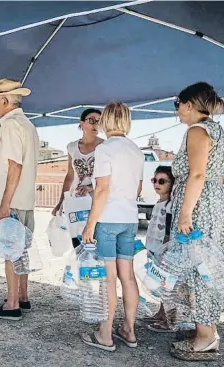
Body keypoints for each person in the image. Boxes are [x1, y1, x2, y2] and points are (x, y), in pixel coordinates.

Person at [167, 82, 224, 361]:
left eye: (178, 105)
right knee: (208, 265)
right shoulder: (216, 129)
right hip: (214, 204)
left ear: (189, 104)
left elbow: (197, 175)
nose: (177, 111)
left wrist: (185, 213)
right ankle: (206, 329)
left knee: (199, 268)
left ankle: (205, 338)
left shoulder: (197, 130)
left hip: (200, 207)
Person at [81, 102, 144, 351]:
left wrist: (90, 224)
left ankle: (105, 334)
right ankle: (129, 330)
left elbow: (102, 190)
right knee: (127, 277)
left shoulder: (105, 149)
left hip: (107, 218)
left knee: (109, 279)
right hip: (130, 218)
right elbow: (137, 189)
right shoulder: (136, 150)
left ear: (106, 120)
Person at [0, 78, 39, 320]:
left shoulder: (10, 125)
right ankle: (23, 297)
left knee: (11, 251)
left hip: (13, 200)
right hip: (23, 199)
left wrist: (5, 203)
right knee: (22, 251)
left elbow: (14, 166)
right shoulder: (27, 125)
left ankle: (12, 304)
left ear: (6, 100)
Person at [52, 108, 104, 248]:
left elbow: (109, 178)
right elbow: (70, 176)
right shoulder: (72, 147)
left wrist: (90, 188)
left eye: (99, 121)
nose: (95, 125)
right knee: (77, 243)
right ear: (82, 124)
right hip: (75, 202)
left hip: (96, 202)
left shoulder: (104, 147)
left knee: (95, 243)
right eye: (91, 120)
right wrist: (60, 202)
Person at [145, 166, 176, 332]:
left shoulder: (170, 204)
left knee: (165, 284)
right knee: (159, 282)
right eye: (154, 180)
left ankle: (167, 318)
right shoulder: (159, 201)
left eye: (162, 181)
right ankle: (160, 312)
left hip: (163, 250)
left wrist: (165, 248)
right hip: (154, 248)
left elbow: (168, 230)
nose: (157, 184)